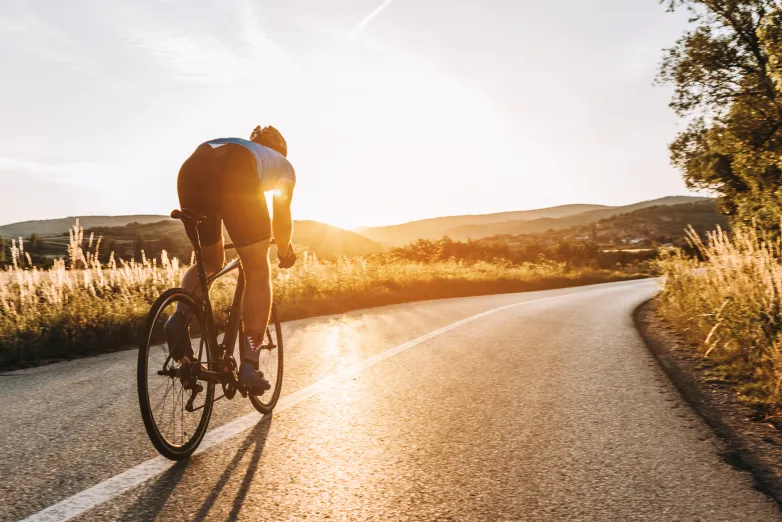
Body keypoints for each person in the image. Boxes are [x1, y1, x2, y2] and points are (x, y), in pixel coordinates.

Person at [165, 125, 297, 394]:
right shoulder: (283, 165)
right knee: (258, 269)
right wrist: (285, 251)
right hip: (238, 172)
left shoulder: (236, 143)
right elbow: (281, 216)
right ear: (280, 150)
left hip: (192, 169)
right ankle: (250, 364)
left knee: (211, 263)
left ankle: (178, 318)